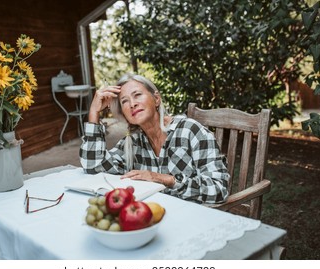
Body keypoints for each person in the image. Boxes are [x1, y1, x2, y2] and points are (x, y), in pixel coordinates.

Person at [80, 73, 229, 204]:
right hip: (152, 218)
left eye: (137, 95)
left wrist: (165, 179)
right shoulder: (133, 142)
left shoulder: (190, 131)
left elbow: (219, 188)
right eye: (124, 101)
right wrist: (94, 112)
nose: (132, 104)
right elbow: (93, 167)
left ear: (156, 99)